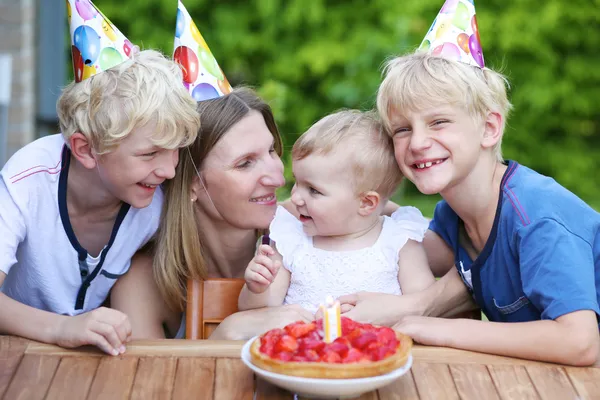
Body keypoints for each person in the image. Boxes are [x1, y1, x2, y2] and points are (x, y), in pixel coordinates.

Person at [340, 47, 600, 366]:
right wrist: (339, 201)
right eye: (403, 129)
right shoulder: (455, 215)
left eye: (438, 122)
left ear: (489, 128)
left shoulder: (534, 214)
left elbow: (580, 342)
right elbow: (414, 248)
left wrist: (441, 328)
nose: (418, 142)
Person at [0, 49, 200, 355]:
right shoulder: (27, 180)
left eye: (176, 150)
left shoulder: (156, 197)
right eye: (150, 153)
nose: (169, 170)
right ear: (86, 149)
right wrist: (62, 328)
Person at [111, 88, 318, 339]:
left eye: (272, 151)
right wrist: (226, 334)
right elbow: (145, 378)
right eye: (245, 163)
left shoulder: (312, 229)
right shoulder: (143, 282)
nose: (277, 178)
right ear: (191, 184)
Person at [238, 110, 435, 313]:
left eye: (313, 190)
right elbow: (258, 310)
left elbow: (426, 307)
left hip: (376, 344)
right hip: (304, 343)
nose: (295, 198)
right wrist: (257, 290)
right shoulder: (291, 240)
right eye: (297, 182)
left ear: (366, 203)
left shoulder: (398, 241)